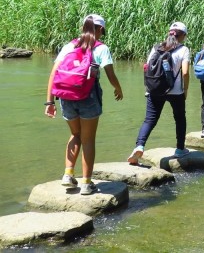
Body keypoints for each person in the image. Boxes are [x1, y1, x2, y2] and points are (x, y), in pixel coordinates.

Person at [45, 14, 123, 196]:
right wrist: (118, 89)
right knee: (88, 139)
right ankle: (87, 184)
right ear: (100, 30)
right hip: (88, 96)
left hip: (65, 96)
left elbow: (53, 73)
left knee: (75, 134)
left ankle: (68, 174)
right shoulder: (101, 48)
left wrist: (49, 101)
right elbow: (111, 75)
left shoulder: (69, 46)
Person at [128, 22, 191, 164]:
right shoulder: (184, 50)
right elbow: (185, 73)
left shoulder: (157, 47)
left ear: (169, 33)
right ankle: (180, 149)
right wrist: (185, 89)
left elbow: (147, 67)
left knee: (149, 120)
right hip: (175, 91)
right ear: (183, 36)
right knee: (180, 118)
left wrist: (149, 87)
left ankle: (139, 146)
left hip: (155, 88)